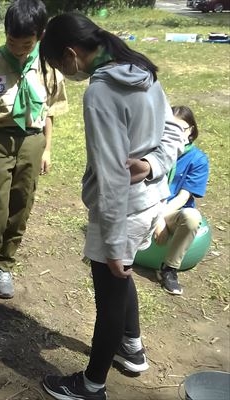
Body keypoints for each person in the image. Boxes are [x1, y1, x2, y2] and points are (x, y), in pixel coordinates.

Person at [38, 12, 183, 400]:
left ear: (71, 55)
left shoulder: (100, 92)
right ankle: (131, 348)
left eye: (58, 66)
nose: (63, 73)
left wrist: (115, 240)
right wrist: (154, 164)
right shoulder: (140, 69)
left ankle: (92, 385)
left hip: (122, 208)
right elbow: (174, 132)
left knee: (109, 296)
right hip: (153, 198)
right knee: (122, 280)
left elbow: (111, 173)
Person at [0, 0, 68, 313]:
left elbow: (49, 111)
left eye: (27, 44)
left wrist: (47, 148)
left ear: (40, 36)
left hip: (33, 141)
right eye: (12, 42)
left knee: (21, 208)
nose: (19, 50)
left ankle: (5, 266)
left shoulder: (47, 65)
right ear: (5, 33)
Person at [155, 106, 209, 295]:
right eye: (170, 127)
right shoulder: (153, 149)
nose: (176, 133)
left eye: (182, 129)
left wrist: (160, 217)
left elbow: (183, 197)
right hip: (145, 207)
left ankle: (169, 269)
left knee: (192, 216)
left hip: (171, 211)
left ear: (191, 130)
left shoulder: (198, 159)